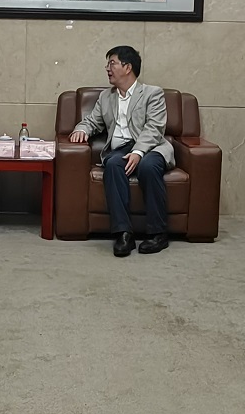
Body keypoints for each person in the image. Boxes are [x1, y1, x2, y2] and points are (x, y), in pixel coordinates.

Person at [68, 45, 173, 257]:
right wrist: (81, 130)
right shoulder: (106, 97)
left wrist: (138, 152)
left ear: (127, 67)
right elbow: (93, 121)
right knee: (113, 164)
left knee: (148, 167)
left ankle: (158, 234)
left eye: (112, 63)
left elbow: (154, 128)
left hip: (151, 147)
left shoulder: (152, 93)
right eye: (108, 64)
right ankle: (123, 234)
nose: (108, 68)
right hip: (121, 149)